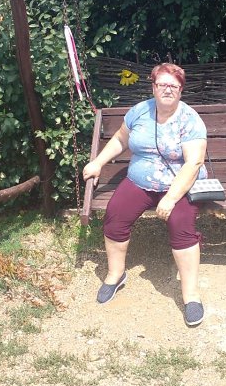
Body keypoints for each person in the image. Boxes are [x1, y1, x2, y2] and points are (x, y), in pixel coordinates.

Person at [83, 63, 207, 326]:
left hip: (179, 184)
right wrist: (98, 162)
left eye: (173, 85)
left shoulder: (190, 119)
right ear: (153, 87)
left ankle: (191, 295)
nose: (167, 90)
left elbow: (193, 163)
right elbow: (120, 139)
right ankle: (116, 275)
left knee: (181, 225)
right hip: (140, 181)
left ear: (181, 90)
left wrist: (171, 198)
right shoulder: (139, 112)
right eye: (162, 84)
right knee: (115, 216)